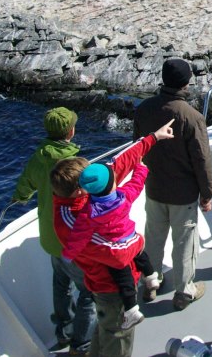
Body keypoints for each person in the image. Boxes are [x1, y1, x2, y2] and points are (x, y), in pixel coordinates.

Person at [50, 118, 174, 357]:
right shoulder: (70, 221)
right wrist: (138, 241)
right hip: (110, 288)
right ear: (80, 190)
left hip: (115, 283)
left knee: (105, 330)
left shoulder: (91, 188)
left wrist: (153, 138)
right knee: (118, 337)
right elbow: (117, 256)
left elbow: (119, 163)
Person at [11, 106, 94, 355]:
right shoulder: (75, 165)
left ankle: (64, 332)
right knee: (88, 291)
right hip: (72, 238)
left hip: (50, 236)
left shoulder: (38, 158)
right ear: (70, 131)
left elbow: (24, 187)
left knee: (61, 284)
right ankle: (82, 344)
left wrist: (20, 198)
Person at [133, 57, 212, 310]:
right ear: (186, 83)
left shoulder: (144, 109)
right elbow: (201, 160)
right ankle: (184, 292)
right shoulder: (192, 117)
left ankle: (151, 283)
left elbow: (137, 147)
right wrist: (207, 193)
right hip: (183, 193)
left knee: (153, 238)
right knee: (184, 244)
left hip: (154, 187)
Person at [63, 141, 167, 331]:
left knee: (123, 279)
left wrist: (69, 254)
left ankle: (132, 310)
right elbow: (136, 184)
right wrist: (140, 167)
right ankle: (152, 277)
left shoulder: (88, 214)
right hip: (131, 236)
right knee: (141, 255)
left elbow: (79, 236)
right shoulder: (124, 196)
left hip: (116, 247)